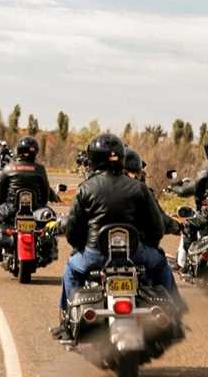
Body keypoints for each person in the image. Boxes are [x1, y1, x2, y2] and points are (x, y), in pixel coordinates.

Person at [52, 134, 180, 340]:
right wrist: (151, 246)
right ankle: (174, 318)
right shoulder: (139, 188)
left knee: (71, 270)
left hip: (95, 254)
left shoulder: (86, 188)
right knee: (161, 264)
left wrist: (80, 247)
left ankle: (67, 325)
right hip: (135, 254)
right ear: (121, 157)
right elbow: (156, 226)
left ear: (93, 159)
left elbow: (74, 229)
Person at [0, 137, 58, 257]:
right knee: (52, 219)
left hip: (11, 207)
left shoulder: (9, 168)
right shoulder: (40, 169)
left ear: (18, 151)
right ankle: (48, 248)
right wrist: (42, 206)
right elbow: (45, 191)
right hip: (35, 209)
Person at [124, 147, 180, 235]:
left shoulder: (97, 186)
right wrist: (176, 226)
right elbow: (159, 220)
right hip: (137, 243)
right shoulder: (141, 190)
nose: (142, 174)